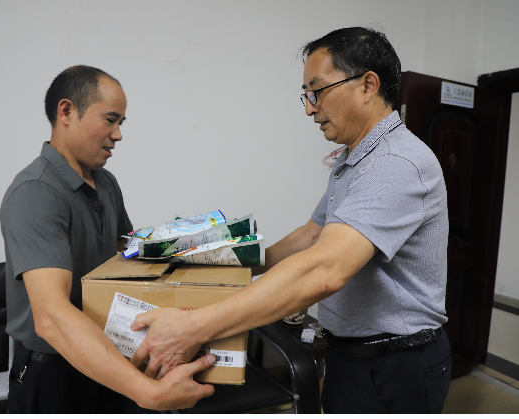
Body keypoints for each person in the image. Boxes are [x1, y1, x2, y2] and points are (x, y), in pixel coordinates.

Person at [130, 27, 451, 414]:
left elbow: (325, 269)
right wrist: (232, 263)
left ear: (368, 85)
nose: (309, 108)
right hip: (350, 354)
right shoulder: (353, 160)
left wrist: (192, 327)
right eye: (306, 95)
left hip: (395, 363)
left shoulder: (396, 164)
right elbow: (312, 235)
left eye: (317, 91)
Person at [0, 65, 215, 414]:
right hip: (56, 371)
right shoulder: (36, 193)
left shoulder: (105, 182)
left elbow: (127, 251)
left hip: (110, 356)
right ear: (66, 111)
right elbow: (52, 318)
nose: (118, 135)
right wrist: (149, 393)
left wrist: (199, 241)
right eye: (110, 120)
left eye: (121, 123)